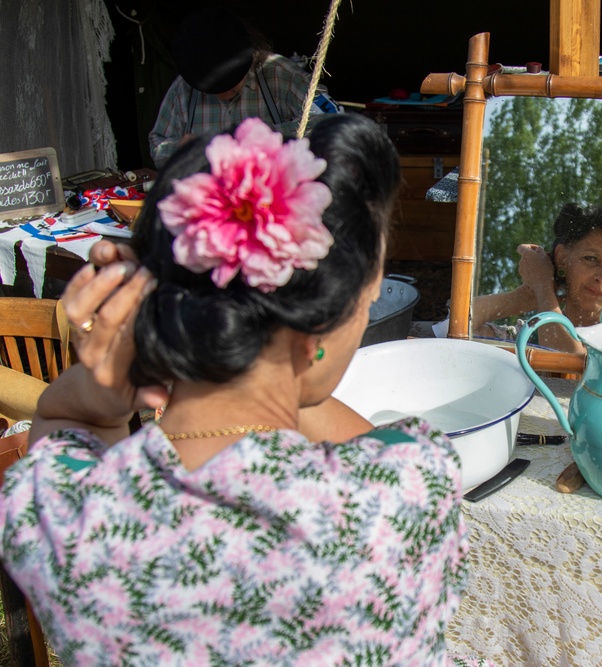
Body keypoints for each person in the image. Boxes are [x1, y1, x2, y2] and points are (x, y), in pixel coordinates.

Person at [0, 114, 492, 666]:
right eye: (364, 303)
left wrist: (144, 356)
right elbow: (345, 428)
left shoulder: (57, 516)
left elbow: (67, 427)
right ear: (316, 328)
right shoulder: (407, 487)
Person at [149, 6, 340, 169]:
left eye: (230, 86)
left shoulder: (278, 73)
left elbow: (332, 117)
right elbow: (157, 144)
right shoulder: (184, 88)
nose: (222, 95)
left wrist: (268, 137)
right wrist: (181, 147)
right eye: (212, 90)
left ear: (250, 62)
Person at [469, 199, 602, 354]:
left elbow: (572, 363)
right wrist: (524, 297)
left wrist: (543, 289)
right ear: (562, 258)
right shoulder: (529, 336)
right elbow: (451, 328)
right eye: (591, 259)